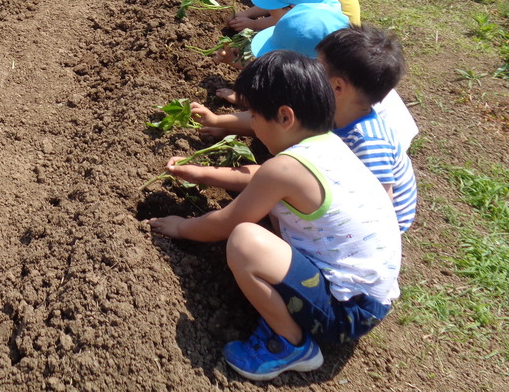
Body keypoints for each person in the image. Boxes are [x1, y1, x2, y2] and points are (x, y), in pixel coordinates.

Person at [149, 51, 402, 381]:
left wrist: (182, 227)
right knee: (268, 217)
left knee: (244, 240)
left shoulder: (286, 168)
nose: (251, 124)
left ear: (285, 117)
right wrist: (204, 174)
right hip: (367, 298)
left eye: (254, 116)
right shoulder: (327, 146)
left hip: (346, 313)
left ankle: (291, 344)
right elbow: (259, 176)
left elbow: (226, 223)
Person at [191, 3, 350, 137]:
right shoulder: (330, 82)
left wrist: (222, 124)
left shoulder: (318, 108)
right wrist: (236, 64)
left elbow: (270, 121)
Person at [317, 27, 417, 232]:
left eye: (318, 67)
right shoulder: (336, 109)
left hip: (373, 225)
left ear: (337, 87)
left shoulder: (369, 141)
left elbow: (380, 205)